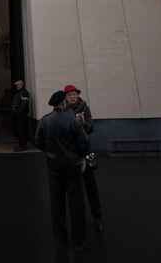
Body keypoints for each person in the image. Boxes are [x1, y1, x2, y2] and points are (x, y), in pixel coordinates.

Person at [35, 90, 89, 252]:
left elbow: (38, 141)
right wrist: (79, 156)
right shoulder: (71, 120)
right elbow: (84, 141)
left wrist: (51, 152)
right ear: (64, 103)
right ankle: (79, 242)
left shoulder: (44, 121)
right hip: (72, 167)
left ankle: (60, 241)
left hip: (54, 167)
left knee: (56, 205)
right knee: (76, 205)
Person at [64, 83, 103, 231]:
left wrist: (83, 122)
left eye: (74, 94)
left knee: (91, 186)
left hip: (84, 152)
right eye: (69, 95)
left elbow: (91, 128)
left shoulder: (84, 108)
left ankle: (97, 215)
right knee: (74, 188)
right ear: (66, 98)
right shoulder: (63, 110)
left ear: (77, 95)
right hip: (71, 153)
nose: (72, 97)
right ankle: (78, 218)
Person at [11, 80, 30, 151]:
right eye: (16, 85)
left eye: (18, 84)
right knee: (19, 130)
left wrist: (20, 110)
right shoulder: (18, 93)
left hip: (21, 115)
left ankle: (22, 146)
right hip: (17, 115)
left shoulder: (24, 92)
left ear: (21, 85)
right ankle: (21, 144)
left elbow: (25, 103)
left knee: (21, 130)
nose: (16, 86)